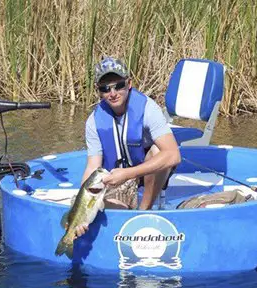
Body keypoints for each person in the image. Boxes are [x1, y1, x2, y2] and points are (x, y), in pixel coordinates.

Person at [75, 57, 181, 236]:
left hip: (143, 171)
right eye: (105, 89)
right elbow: (92, 167)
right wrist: (81, 207)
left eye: (119, 85)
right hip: (115, 177)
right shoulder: (93, 121)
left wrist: (128, 174)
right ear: (99, 91)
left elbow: (173, 155)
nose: (113, 93)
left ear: (129, 84)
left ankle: (144, 211)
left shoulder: (148, 109)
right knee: (97, 208)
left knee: (157, 151)